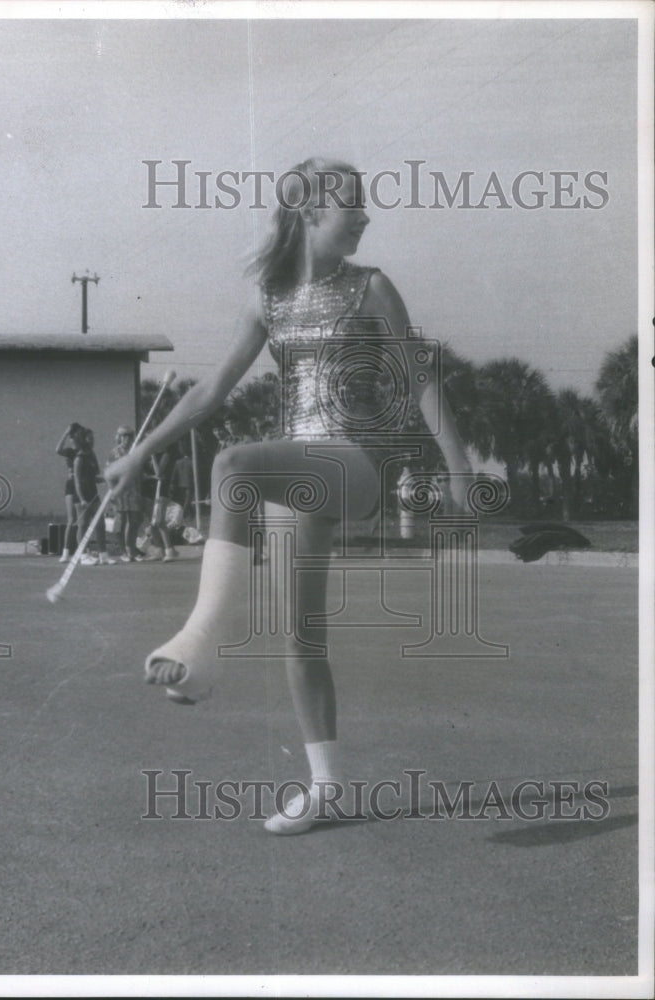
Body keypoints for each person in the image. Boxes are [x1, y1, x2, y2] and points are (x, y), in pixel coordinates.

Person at [106, 157, 471, 834]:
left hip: (354, 461)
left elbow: (419, 373)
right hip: (295, 473)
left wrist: (458, 465)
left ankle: (202, 640)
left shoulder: (371, 286)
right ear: (311, 215)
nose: (365, 215)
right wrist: (138, 453)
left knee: (235, 460)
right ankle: (327, 786)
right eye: (352, 205)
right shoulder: (267, 295)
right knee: (300, 637)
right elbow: (209, 390)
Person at [74, 427, 116, 566]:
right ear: (83, 440)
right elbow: (77, 481)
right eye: (89, 438)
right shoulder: (79, 458)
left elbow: (95, 477)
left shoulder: (92, 455)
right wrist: (82, 499)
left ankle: (103, 555)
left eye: (93, 438)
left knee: (100, 524)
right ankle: (83, 555)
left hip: (93, 494)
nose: (92, 440)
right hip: (82, 497)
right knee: (83, 525)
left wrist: (107, 478)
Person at [107, 425, 144, 562]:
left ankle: (131, 548)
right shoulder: (114, 453)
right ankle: (123, 550)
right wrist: (112, 491)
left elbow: (138, 471)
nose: (126, 439)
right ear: (119, 437)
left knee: (134, 520)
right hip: (120, 490)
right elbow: (110, 473)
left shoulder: (134, 451)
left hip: (133, 490)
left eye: (129, 436)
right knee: (121, 521)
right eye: (124, 436)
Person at [55, 422, 82, 563]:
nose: (74, 438)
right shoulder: (71, 451)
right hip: (71, 485)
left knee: (82, 521)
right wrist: (65, 433)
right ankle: (65, 552)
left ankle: (82, 551)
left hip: (83, 485)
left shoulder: (84, 451)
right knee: (72, 519)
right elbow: (58, 449)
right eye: (72, 436)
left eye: (75, 435)